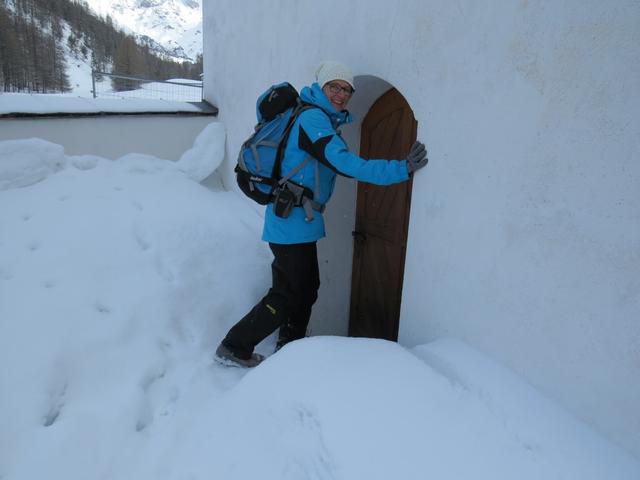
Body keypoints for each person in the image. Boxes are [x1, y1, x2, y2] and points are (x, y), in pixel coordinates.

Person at [216, 61, 428, 367]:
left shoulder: (318, 117)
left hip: (298, 220)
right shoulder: (312, 119)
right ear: (321, 86)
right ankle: (234, 346)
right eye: (334, 87)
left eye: (347, 89)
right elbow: (345, 163)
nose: (341, 94)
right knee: (287, 294)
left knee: (305, 289)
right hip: (290, 221)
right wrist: (401, 169)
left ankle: (289, 349)